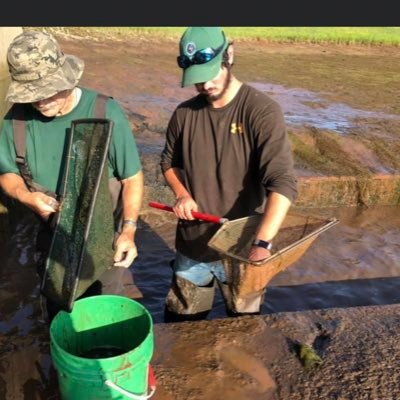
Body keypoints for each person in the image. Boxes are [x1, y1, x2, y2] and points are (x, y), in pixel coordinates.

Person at [0, 30, 144, 321]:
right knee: (58, 314)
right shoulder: (15, 120)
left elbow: (132, 178)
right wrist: (27, 197)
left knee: (103, 319)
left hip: (103, 241)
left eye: (47, 90)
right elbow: (7, 174)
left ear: (67, 77)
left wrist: (128, 230)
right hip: (52, 240)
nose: (40, 101)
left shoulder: (106, 110)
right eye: (32, 94)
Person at [160, 27, 298, 322]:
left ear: (229, 55)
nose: (205, 85)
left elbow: (283, 183)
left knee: (244, 327)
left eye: (211, 73)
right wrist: (182, 193)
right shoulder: (184, 114)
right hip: (192, 246)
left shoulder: (262, 112)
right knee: (183, 328)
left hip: (243, 250)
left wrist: (262, 245)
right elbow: (168, 162)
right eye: (197, 79)